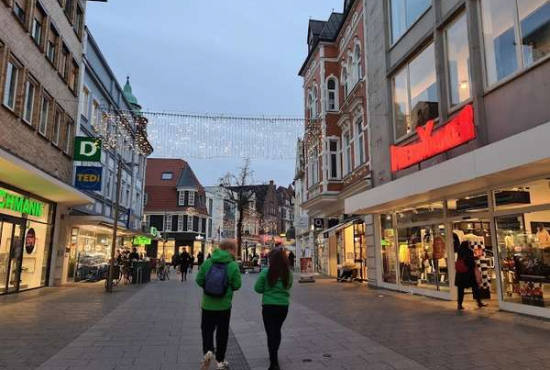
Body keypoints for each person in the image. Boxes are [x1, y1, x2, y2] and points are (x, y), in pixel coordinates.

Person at [196, 240, 242, 370]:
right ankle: (220, 361)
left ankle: (208, 351)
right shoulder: (233, 265)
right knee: (222, 333)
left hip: (207, 305)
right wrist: (227, 289)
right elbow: (238, 285)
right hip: (224, 306)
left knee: (207, 330)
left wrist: (208, 288)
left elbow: (198, 280)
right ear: (230, 249)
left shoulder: (208, 262)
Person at [254, 248, 292, 370]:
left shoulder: (266, 272)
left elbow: (257, 288)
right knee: (277, 330)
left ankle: (274, 362)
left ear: (271, 259)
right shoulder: (288, 273)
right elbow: (288, 286)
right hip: (283, 306)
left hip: (268, 306)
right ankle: (274, 356)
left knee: (271, 333)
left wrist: (268, 289)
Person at [455, 241, 487, 310]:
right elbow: (471, 262)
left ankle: (459, 304)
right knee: (475, 288)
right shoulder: (469, 251)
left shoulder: (459, 251)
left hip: (460, 274)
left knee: (460, 290)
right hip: (468, 273)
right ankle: (479, 302)